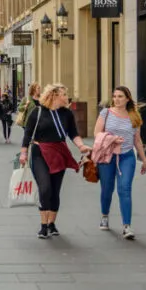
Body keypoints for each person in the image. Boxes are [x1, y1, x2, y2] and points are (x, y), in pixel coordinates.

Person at [19, 83, 91, 239]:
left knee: (55, 190)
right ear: (54, 96)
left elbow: (73, 133)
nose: (67, 97)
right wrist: (23, 153)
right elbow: (27, 134)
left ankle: (52, 223)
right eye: (64, 94)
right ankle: (43, 225)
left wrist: (81, 146)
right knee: (45, 188)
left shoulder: (67, 114)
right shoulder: (37, 112)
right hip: (40, 153)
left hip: (59, 153)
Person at [93, 86, 146, 240]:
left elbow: (137, 139)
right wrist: (112, 139)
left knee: (125, 188)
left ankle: (127, 226)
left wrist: (143, 159)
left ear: (127, 99)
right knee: (107, 188)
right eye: (115, 96)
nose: (116, 99)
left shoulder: (134, 116)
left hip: (127, 156)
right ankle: (105, 215)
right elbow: (97, 133)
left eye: (120, 96)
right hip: (108, 155)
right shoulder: (106, 113)